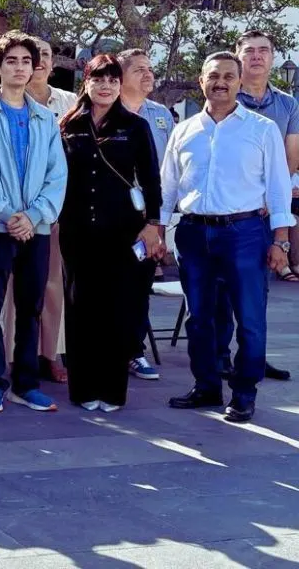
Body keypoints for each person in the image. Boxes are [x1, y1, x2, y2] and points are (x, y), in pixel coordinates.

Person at [161, 52, 293, 423]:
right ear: (201, 80)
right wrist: (156, 227)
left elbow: (279, 189)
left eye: (228, 76)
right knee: (199, 318)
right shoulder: (183, 130)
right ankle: (205, 386)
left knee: (249, 318)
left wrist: (280, 241)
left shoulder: (262, 129)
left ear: (239, 83)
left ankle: (244, 393)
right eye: (213, 75)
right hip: (192, 233)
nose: (221, 82)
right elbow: (167, 185)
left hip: (245, 234)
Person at [58, 56, 164, 412]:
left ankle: (112, 390)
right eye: (98, 79)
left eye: (113, 80)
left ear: (120, 86)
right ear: (85, 83)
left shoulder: (134, 126)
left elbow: (151, 179)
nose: (105, 86)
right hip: (76, 230)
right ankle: (84, 389)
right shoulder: (68, 125)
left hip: (121, 231)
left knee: (116, 310)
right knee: (81, 309)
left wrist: (153, 224)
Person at [0, 31, 67, 414]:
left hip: (36, 228)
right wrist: (8, 214)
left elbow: (56, 174)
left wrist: (35, 215)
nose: (20, 67)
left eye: (26, 61)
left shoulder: (45, 118)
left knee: (31, 306)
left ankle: (25, 383)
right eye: (11, 61)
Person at [1, 36, 76, 386]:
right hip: (8, 215)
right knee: (14, 288)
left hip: (52, 210)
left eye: (44, 55)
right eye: (33, 56)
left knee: (51, 284)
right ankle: (16, 355)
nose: (40, 61)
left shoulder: (71, 103)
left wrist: (39, 212)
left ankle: (51, 353)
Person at [232, 31, 295, 381]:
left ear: (273, 57)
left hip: (264, 214)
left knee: (257, 294)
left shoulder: (288, 105)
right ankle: (219, 360)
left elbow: (290, 159)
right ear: (239, 55)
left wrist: (272, 199)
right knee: (221, 295)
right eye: (250, 51)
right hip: (229, 211)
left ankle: (253, 359)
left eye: (264, 51)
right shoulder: (225, 95)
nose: (257, 57)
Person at [117, 47, 174, 382]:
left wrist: (159, 222)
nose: (148, 74)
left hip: (149, 219)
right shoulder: (107, 113)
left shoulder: (161, 115)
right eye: (139, 69)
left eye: (149, 68)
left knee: (139, 287)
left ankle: (134, 352)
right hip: (112, 216)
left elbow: (168, 170)